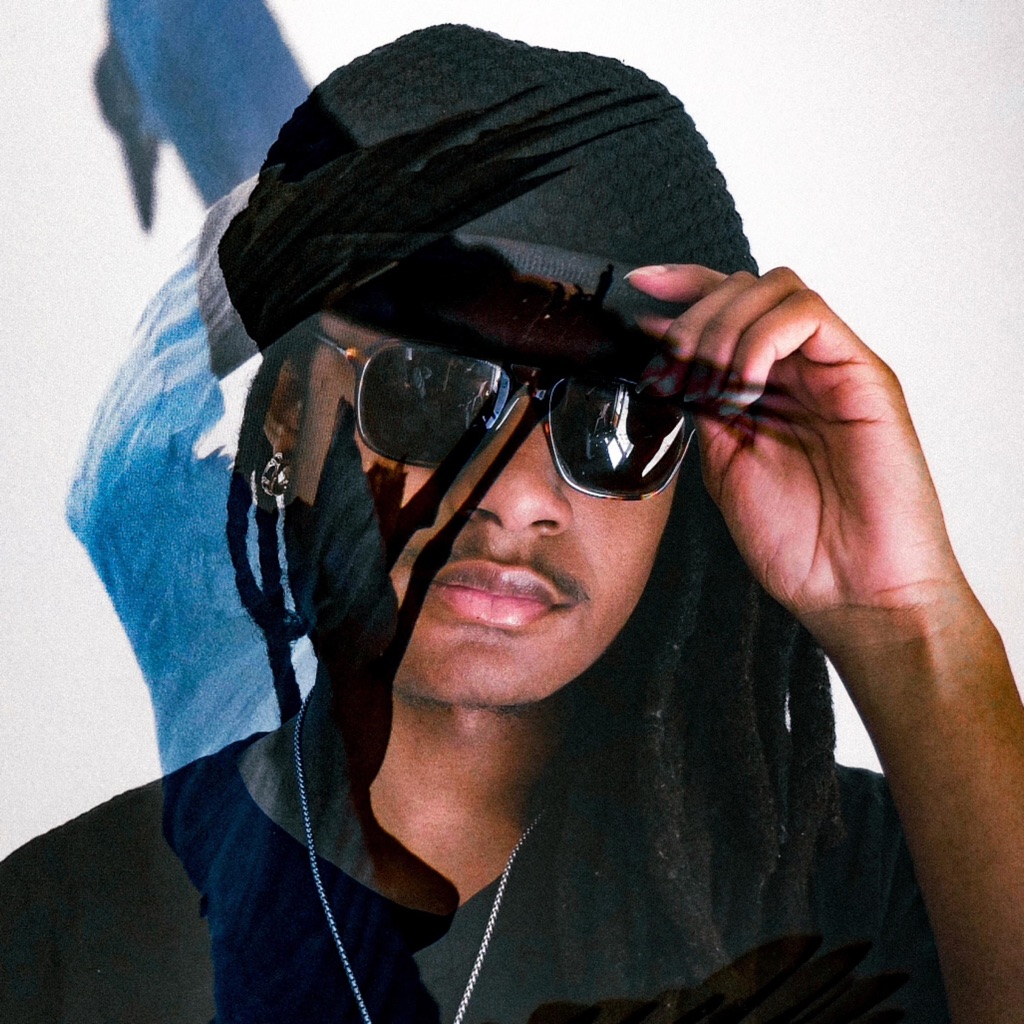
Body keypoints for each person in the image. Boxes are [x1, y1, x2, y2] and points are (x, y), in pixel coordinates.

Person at [3, 24, 1022, 1024]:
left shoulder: (874, 890)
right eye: (430, 387)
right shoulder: (61, 935)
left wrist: (904, 617)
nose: (519, 494)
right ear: (289, 417)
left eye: (613, 418)